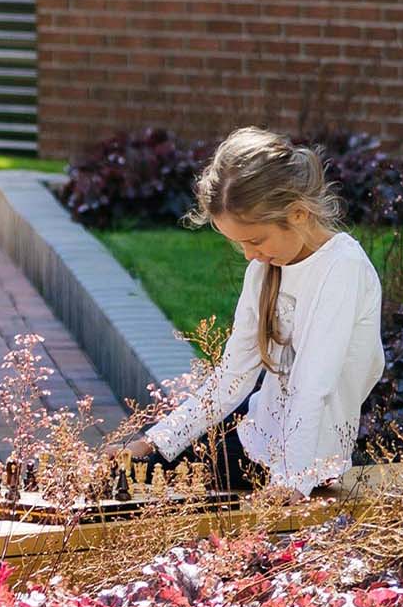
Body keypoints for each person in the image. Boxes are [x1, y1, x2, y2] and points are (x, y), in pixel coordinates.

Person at [109, 127, 385, 501]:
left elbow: (313, 384)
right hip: (253, 447)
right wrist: (155, 441)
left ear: (299, 214)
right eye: (240, 244)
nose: (249, 254)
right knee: (120, 476)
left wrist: (291, 482)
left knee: (142, 494)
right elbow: (231, 378)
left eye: (255, 240)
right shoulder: (265, 268)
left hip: (304, 467)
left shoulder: (342, 267)